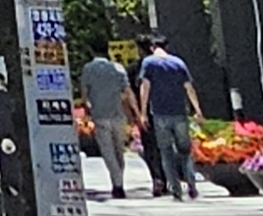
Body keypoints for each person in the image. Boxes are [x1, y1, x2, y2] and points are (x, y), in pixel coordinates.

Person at [135, 33, 199, 198]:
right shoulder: (178, 62)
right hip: (180, 112)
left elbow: (145, 88)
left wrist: (143, 112)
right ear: (167, 47)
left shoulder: (148, 63)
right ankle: (191, 184)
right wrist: (197, 110)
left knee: (166, 152)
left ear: (152, 48)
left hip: (159, 114)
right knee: (185, 151)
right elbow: (189, 87)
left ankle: (175, 188)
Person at [78, 44, 134, 199]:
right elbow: (127, 92)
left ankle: (117, 183)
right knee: (119, 151)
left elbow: (84, 93)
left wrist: (87, 108)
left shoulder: (88, 69)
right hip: (118, 114)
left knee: (107, 151)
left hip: (100, 115)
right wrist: (134, 113)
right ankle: (118, 181)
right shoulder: (118, 68)